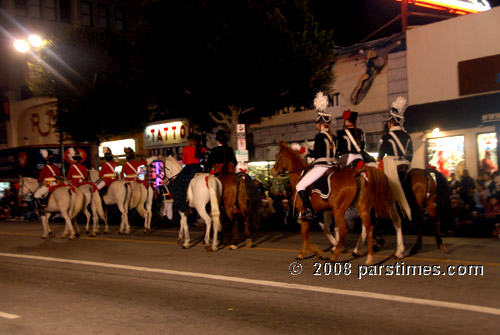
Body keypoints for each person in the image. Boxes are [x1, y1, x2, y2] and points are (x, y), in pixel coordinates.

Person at [296, 103, 336, 220]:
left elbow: (316, 154)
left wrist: (303, 150)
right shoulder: (334, 137)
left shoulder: (319, 137)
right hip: (334, 165)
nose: (317, 126)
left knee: (300, 186)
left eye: (317, 124)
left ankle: (310, 211)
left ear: (320, 124)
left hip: (321, 167)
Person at [377, 96, 413, 219]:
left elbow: (381, 154)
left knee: (382, 186)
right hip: (405, 165)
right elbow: (410, 154)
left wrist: (379, 162)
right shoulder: (407, 136)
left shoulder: (387, 136)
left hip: (392, 166)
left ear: (391, 123)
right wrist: (407, 163)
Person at [169, 134, 206, 214]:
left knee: (178, 184)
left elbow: (184, 161)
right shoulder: (201, 148)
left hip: (189, 169)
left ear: (190, 141)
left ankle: (183, 204)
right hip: (198, 168)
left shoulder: (186, 149)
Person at [34, 149, 61, 214]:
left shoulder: (45, 168)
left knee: (36, 195)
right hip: (57, 184)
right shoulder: (56, 168)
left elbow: (40, 179)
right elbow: (58, 175)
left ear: (47, 161)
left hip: (48, 184)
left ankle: (41, 209)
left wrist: (40, 181)